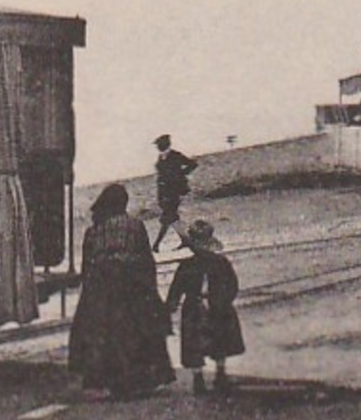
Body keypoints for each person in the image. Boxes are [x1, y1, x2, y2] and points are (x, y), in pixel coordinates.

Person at [68, 184, 175, 399]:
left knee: (104, 333)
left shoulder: (93, 230)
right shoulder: (135, 225)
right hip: (131, 285)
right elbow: (146, 260)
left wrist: (88, 296)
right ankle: (139, 381)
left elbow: (87, 266)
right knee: (137, 330)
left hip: (101, 287)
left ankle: (104, 382)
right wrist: (151, 292)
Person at [168, 219, 245, 396]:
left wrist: (223, 300)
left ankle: (219, 374)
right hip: (200, 305)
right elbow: (176, 289)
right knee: (199, 343)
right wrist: (171, 305)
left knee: (217, 340)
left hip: (211, 304)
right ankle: (200, 379)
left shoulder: (217, 263)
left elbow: (232, 285)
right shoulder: (195, 265)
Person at [152, 134, 197, 252]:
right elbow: (161, 177)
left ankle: (156, 245)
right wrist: (160, 195)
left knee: (168, 217)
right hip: (164, 192)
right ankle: (186, 240)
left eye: (159, 145)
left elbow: (192, 164)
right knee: (171, 217)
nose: (157, 147)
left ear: (165, 144)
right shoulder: (160, 158)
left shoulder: (175, 156)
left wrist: (180, 175)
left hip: (174, 191)